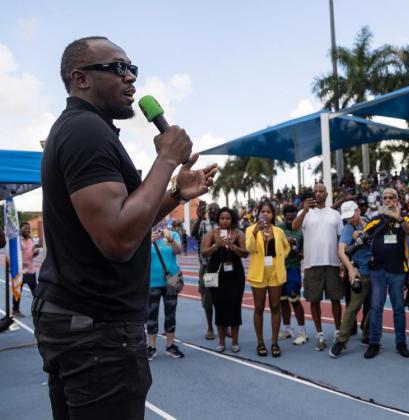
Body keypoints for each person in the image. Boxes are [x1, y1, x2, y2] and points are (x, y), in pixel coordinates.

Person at [32, 36, 217, 419]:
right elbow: (117, 239)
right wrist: (166, 158)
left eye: (133, 68)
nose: (131, 77)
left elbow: (128, 221)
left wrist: (176, 196)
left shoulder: (84, 129)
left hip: (84, 324)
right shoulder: (85, 131)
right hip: (97, 329)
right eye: (118, 68)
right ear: (80, 78)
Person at [364, 188, 409, 359]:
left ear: (396, 200)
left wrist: (399, 218)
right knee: (376, 308)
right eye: (385, 198)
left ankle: (401, 343)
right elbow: (362, 236)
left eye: (391, 198)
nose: (387, 200)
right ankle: (374, 343)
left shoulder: (405, 219)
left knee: (399, 309)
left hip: (397, 271)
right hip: (378, 271)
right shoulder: (375, 220)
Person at [292, 182, 344, 351]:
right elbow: (294, 227)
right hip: (312, 264)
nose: (319, 194)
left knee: (335, 299)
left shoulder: (335, 214)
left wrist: (343, 262)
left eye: (321, 191)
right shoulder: (304, 213)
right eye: (316, 191)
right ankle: (320, 334)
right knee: (314, 300)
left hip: (332, 263)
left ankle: (337, 332)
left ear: (327, 193)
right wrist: (305, 210)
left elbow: (341, 239)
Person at [246, 201, 290, 357]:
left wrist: (281, 259)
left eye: (268, 212)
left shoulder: (278, 231)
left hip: (275, 273)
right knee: (258, 307)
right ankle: (260, 342)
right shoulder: (251, 229)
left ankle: (274, 342)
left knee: (275, 306)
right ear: (258, 213)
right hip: (258, 273)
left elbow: (286, 247)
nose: (265, 214)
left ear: (273, 214)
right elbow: (249, 249)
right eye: (262, 211)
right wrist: (254, 233)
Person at [201, 207, 248, 353]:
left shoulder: (239, 234)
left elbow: (245, 253)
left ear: (232, 220)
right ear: (218, 220)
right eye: (222, 218)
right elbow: (204, 253)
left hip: (235, 274)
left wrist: (233, 247)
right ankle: (221, 341)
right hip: (213, 273)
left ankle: (234, 341)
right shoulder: (211, 234)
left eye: (227, 218)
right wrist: (216, 246)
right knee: (218, 306)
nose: (224, 221)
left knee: (235, 306)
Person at [330, 201, 373, 358]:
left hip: (377, 272)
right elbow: (341, 251)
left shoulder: (371, 222)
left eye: (351, 216)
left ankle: (368, 335)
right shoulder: (349, 228)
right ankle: (341, 341)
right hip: (361, 272)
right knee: (353, 307)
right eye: (346, 217)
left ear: (358, 211)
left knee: (375, 307)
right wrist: (350, 269)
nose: (349, 220)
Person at [146, 225, 184, 360]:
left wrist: (170, 239)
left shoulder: (172, 234)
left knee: (171, 314)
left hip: (171, 281)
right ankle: (151, 347)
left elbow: (179, 250)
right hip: (151, 281)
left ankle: (170, 345)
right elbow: (136, 255)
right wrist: (147, 242)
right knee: (151, 314)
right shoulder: (145, 235)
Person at [277, 205, 308, 345]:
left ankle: (302, 332)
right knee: (282, 300)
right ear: (284, 217)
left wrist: (296, 252)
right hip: (278, 268)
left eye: (293, 218)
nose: (291, 221)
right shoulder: (278, 229)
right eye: (288, 218)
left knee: (294, 299)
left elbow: (304, 254)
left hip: (293, 268)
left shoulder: (301, 232)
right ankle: (287, 329)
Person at [192, 201, 219, 340]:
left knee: (222, 299)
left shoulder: (223, 225)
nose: (213, 211)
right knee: (208, 299)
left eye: (216, 209)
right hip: (208, 268)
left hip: (221, 269)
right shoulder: (203, 223)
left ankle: (223, 327)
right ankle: (210, 328)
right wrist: (198, 218)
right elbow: (193, 233)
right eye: (211, 209)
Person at [13, 222, 41, 317]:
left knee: (36, 292)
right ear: (20, 229)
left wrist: (35, 253)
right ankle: (15, 310)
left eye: (28, 228)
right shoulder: (17, 240)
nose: (27, 230)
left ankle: (37, 310)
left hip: (30, 270)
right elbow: (15, 254)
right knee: (18, 291)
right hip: (21, 271)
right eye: (25, 228)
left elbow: (31, 253)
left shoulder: (30, 239)